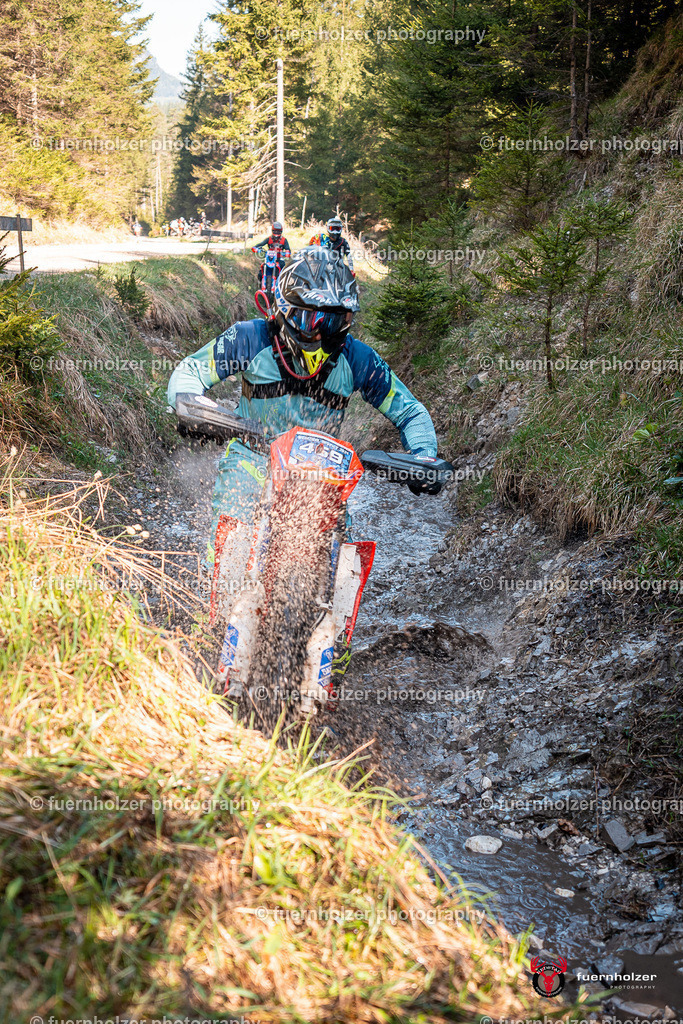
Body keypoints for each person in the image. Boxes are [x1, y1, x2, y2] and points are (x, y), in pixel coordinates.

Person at [167, 247, 436, 680]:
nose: (326, 331)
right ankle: (215, 622)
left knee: (333, 550)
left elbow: (409, 410)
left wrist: (423, 454)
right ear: (287, 312)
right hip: (254, 453)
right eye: (316, 319)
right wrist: (191, 405)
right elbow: (189, 372)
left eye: (337, 321)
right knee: (235, 516)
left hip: (321, 471)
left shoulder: (356, 358)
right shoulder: (250, 338)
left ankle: (335, 647)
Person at [251, 221, 292, 287]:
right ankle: (260, 283)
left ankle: (282, 286)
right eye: (275, 231)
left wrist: (287, 253)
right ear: (272, 230)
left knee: (283, 271)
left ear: (281, 231)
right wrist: (255, 248)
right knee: (261, 270)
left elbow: (288, 249)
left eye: (278, 231)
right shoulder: (269, 239)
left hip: (279, 259)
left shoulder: (284, 240)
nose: (276, 233)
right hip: (270, 259)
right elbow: (261, 244)